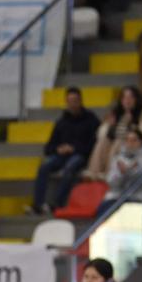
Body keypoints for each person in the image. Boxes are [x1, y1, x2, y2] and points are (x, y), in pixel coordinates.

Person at [29, 87, 100, 216]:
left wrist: (74, 148)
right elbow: (48, 147)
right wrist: (58, 149)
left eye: (75, 100)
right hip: (62, 155)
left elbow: (93, 145)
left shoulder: (91, 120)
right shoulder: (62, 122)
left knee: (70, 167)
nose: (72, 104)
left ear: (80, 101)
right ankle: (38, 204)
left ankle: (57, 203)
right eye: (70, 101)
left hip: (81, 154)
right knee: (44, 167)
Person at [96, 127, 142, 219]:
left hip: (139, 198)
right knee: (103, 208)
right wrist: (121, 173)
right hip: (118, 197)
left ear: (141, 142)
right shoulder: (118, 158)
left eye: (134, 140)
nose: (130, 143)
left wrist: (131, 172)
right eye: (127, 140)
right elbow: (111, 182)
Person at [85, 86, 142, 180]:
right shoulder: (117, 114)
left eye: (131, 97)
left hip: (129, 146)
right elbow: (106, 135)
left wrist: (130, 125)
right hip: (114, 143)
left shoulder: (140, 114)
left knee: (118, 142)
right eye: (124, 97)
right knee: (103, 141)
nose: (127, 100)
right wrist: (110, 126)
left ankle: (109, 173)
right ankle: (93, 172)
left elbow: (139, 135)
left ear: (136, 99)